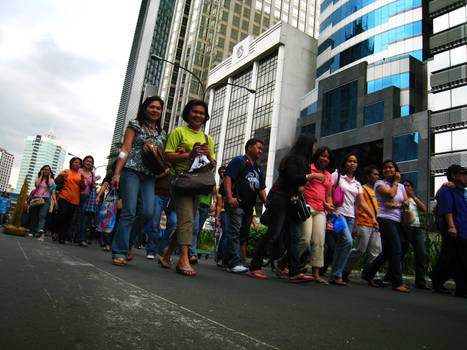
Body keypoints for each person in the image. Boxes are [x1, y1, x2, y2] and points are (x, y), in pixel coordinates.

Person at [247, 134, 325, 283]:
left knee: (295, 236)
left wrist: (304, 184)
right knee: (273, 233)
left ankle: (294, 272)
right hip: (279, 198)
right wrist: (311, 176)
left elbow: (300, 184)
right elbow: (292, 178)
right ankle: (254, 266)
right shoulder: (292, 159)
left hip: (292, 201)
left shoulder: (304, 162)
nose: (314, 148)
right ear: (307, 145)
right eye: (314, 145)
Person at [160, 100, 216, 276]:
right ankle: (183, 259)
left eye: (201, 113)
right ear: (188, 113)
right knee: (187, 220)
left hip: (198, 183)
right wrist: (189, 154)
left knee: (188, 221)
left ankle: (167, 253)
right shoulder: (178, 132)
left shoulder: (208, 139)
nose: (198, 115)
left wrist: (207, 154)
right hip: (181, 181)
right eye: (195, 112)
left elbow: (212, 164)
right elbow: (167, 156)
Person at [110, 96, 167, 266]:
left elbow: (160, 156)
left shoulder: (161, 133)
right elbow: (125, 148)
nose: (155, 110)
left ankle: (128, 242)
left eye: (158, 108)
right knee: (129, 211)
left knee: (148, 212)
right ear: (145, 109)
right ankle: (119, 251)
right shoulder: (135, 125)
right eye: (151, 107)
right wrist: (117, 173)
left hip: (149, 176)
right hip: (131, 171)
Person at [362, 160, 411, 293]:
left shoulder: (401, 187)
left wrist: (396, 205)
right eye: (385, 168)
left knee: (389, 251)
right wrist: (395, 182)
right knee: (396, 247)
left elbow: (407, 202)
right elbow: (390, 194)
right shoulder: (380, 183)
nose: (388, 170)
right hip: (385, 218)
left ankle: (368, 274)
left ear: (395, 169)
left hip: (398, 220)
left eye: (391, 167)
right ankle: (397, 282)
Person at [329, 153, 378, 286]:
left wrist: (373, 217)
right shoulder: (337, 176)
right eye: (350, 161)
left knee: (341, 244)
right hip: (338, 215)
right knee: (348, 241)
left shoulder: (357, 184)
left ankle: (335, 275)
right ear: (345, 163)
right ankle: (338, 274)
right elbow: (328, 192)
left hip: (350, 218)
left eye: (355, 162)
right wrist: (331, 210)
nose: (352, 163)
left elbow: (362, 203)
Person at [223, 138, 267, 273]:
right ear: (249, 148)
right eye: (258, 148)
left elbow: (261, 188)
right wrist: (230, 197)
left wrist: (267, 203)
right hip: (237, 204)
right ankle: (234, 263)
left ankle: (229, 260)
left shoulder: (258, 169)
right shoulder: (238, 161)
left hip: (249, 207)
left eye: (261, 148)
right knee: (234, 232)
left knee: (243, 235)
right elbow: (228, 178)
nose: (261, 151)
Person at [298, 146, 333, 284]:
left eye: (327, 157)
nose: (324, 158)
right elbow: (300, 184)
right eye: (322, 155)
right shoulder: (308, 167)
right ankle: (286, 263)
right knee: (305, 240)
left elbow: (328, 195)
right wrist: (313, 176)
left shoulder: (329, 175)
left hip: (320, 210)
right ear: (317, 156)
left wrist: (328, 204)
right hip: (306, 207)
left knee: (319, 242)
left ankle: (316, 274)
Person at [431, 164, 467, 297]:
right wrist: (451, 226)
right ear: (454, 175)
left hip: (463, 229)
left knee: (456, 259)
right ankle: (438, 279)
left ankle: (458, 287)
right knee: (455, 259)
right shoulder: (447, 190)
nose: (466, 177)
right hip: (454, 229)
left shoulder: (461, 191)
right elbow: (447, 209)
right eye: (464, 174)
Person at [342, 166, 382, 284]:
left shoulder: (377, 191)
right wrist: (355, 224)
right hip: (363, 223)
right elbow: (357, 206)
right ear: (368, 176)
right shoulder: (362, 188)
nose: (377, 177)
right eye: (374, 174)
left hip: (375, 225)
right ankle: (344, 270)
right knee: (359, 250)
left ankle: (373, 276)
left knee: (376, 252)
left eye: (377, 174)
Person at [401, 179, 429, 289]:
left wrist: (414, 197)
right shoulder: (401, 198)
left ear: (412, 188)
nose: (406, 188)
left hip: (417, 228)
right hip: (406, 228)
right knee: (401, 253)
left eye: (408, 186)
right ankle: (394, 277)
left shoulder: (413, 199)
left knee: (420, 254)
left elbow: (424, 208)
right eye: (404, 186)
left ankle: (420, 282)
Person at [145, 168, 177, 260]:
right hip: (158, 194)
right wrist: (165, 172)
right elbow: (152, 176)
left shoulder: (181, 164)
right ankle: (151, 250)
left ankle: (163, 250)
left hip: (173, 198)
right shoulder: (162, 161)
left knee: (173, 223)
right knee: (155, 223)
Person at [55, 157, 87, 244]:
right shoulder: (66, 171)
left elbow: (83, 188)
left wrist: (82, 182)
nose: (77, 164)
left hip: (75, 200)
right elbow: (56, 181)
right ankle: (56, 232)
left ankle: (62, 237)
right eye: (75, 162)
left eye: (79, 163)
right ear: (71, 163)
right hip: (64, 196)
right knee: (62, 214)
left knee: (68, 219)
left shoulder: (80, 176)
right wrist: (61, 176)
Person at [28, 165, 55, 240]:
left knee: (42, 215)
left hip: (45, 199)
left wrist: (49, 177)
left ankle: (39, 231)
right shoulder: (38, 178)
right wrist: (41, 175)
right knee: (34, 215)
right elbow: (37, 185)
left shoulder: (51, 180)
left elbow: (50, 186)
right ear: (42, 170)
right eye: (44, 169)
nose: (46, 171)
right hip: (36, 198)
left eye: (48, 170)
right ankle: (32, 231)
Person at [75, 155, 96, 246]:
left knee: (84, 218)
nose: (89, 163)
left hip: (86, 197)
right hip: (75, 195)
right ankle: (67, 236)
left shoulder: (92, 174)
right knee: (74, 216)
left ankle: (81, 239)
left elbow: (93, 186)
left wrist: (94, 185)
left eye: (90, 162)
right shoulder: (78, 171)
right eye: (87, 161)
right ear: (83, 162)